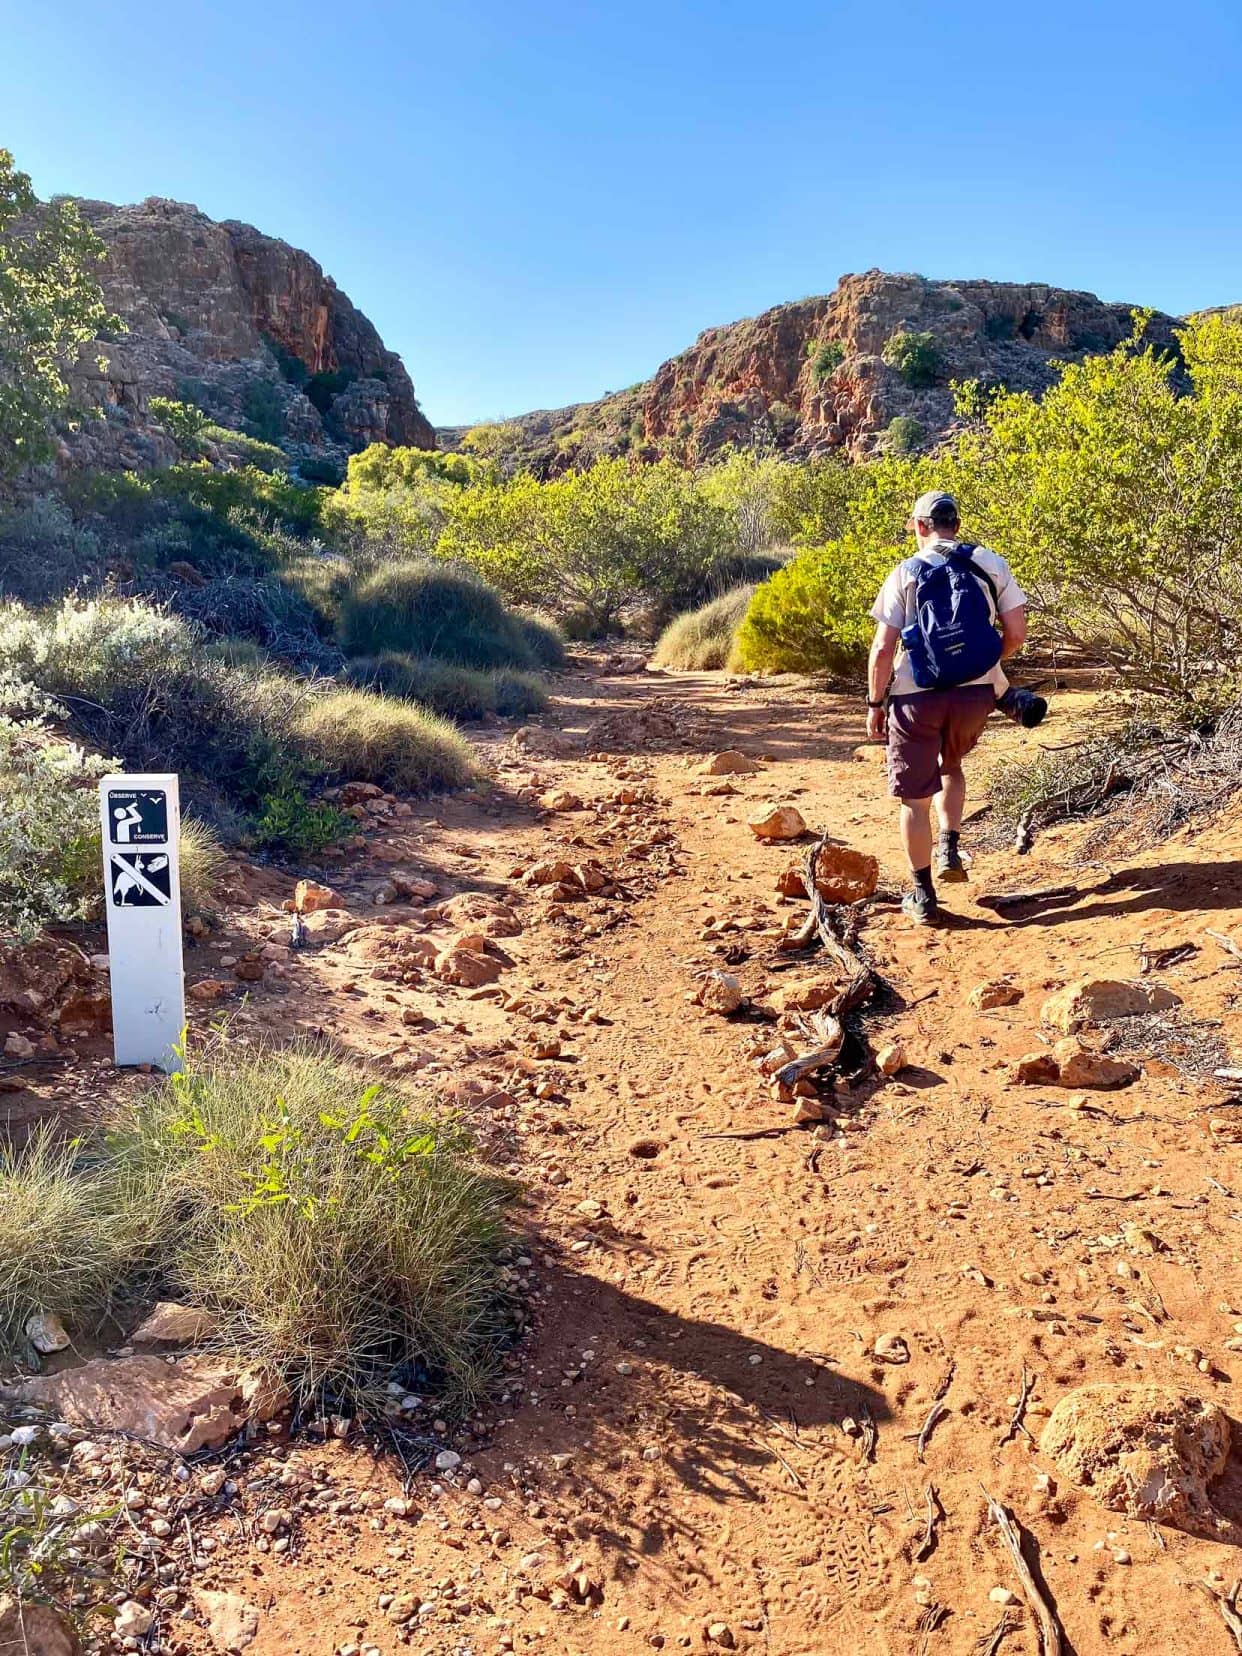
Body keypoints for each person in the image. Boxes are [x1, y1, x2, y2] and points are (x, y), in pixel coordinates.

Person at [866, 491, 1028, 925]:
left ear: (920, 526)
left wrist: (875, 703)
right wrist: (985, 666)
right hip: (975, 695)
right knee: (951, 764)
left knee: (913, 802)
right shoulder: (990, 563)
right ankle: (950, 846)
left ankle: (922, 894)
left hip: (915, 696)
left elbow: (883, 649)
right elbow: (1017, 631)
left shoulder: (905, 572)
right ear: (955, 523)